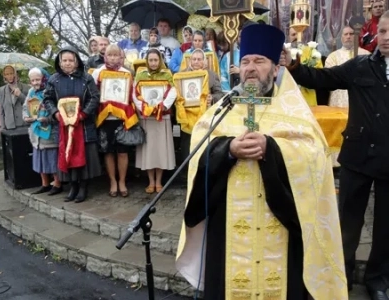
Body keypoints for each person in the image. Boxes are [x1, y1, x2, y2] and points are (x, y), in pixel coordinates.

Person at [176, 23, 347, 300]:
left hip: (282, 225)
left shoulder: (295, 113)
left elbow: (315, 159)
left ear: (275, 69)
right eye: (245, 61)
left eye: (259, 61)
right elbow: (198, 153)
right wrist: (228, 149)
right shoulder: (222, 110)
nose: (250, 68)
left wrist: (272, 149)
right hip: (229, 229)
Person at [283, 10, 389, 300]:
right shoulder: (360, 66)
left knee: (385, 227)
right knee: (348, 222)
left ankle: (378, 280)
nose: (385, 38)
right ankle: (341, 272)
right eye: (381, 31)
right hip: (357, 158)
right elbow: (321, 78)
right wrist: (294, 65)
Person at [44, 46, 102, 203]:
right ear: (60, 62)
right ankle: (72, 187)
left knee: (83, 158)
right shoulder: (53, 80)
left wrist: (83, 114)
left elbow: (94, 98)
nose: (68, 63)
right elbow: (48, 99)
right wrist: (55, 113)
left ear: (76, 62)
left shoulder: (86, 78)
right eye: (65, 60)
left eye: (71, 60)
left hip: (82, 126)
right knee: (68, 156)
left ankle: (83, 188)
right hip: (63, 126)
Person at [92, 44, 139, 198]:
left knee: (122, 153)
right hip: (105, 118)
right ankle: (113, 181)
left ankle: (122, 182)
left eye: (116, 55)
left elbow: (133, 95)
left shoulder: (127, 73)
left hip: (122, 118)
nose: (113, 58)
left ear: (121, 57)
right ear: (105, 56)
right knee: (108, 152)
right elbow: (93, 94)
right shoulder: (98, 72)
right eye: (110, 55)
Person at [132, 48, 176, 193]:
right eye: (150, 60)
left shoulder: (167, 74)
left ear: (160, 60)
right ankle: (151, 182)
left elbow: (173, 92)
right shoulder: (141, 75)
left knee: (160, 151)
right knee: (149, 151)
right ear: (147, 61)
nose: (153, 63)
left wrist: (162, 106)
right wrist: (144, 107)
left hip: (161, 118)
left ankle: (159, 182)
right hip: (147, 118)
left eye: (156, 60)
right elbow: (135, 94)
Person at [23, 68, 62, 196]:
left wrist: (48, 118)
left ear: (43, 78)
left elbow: (57, 110)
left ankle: (57, 184)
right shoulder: (30, 92)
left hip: (49, 131)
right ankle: (45, 184)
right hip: (36, 131)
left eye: (38, 79)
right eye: (33, 80)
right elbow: (25, 107)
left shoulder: (50, 90)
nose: (35, 82)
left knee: (52, 158)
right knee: (39, 159)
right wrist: (26, 117)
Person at [325, 25, 370, 108]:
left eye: (351, 34)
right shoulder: (332, 57)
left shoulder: (366, 55)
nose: (348, 36)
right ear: (341, 37)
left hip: (361, 102)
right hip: (338, 102)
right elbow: (329, 79)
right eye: (345, 34)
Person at [0, 65, 30, 130]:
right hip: (9, 127)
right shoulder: (1, 90)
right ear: (4, 76)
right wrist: (3, 128)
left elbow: (30, 105)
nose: (9, 76)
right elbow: (1, 111)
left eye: (11, 73)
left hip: (24, 126)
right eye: (7, 74)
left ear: (15, 74)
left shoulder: (26, 88)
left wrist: (20, 95)